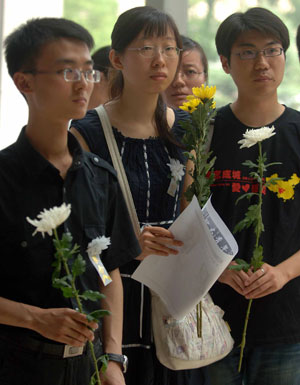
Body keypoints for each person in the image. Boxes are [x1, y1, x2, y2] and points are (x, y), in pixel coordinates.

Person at [71, 6, 207, 385]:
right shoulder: (86, 133)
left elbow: (188, 209)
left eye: (169, 48)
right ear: (117, 58)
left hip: (173, 299)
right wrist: (128, 245)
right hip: (113, 296)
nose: (160, 60)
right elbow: (79, 237)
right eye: (146, 48)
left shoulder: (185, 130)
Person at [0, 17, 141, 385]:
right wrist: (34, 318)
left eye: (88, 71)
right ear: (24, 81)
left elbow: (109, 271)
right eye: (66, 71)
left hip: (88, 367)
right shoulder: (4, 179)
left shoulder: (100, 177)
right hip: (16, 366)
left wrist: (113, 356)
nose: (83, 83)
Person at [197, 7, 300, 385]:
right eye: (247, 52)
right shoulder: (204, 133)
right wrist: (219, 270)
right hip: (213, 320)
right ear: (225, 62)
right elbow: (185, 219)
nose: (263, 63)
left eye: (273, 50)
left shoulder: (298, 132)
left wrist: (283, 273)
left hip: (286, 323)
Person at [163, 35, 208, 109]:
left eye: (190, 71)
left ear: (205, 77)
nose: (178, 81)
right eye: (170, 71)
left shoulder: (220, 119)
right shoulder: (140, 119)